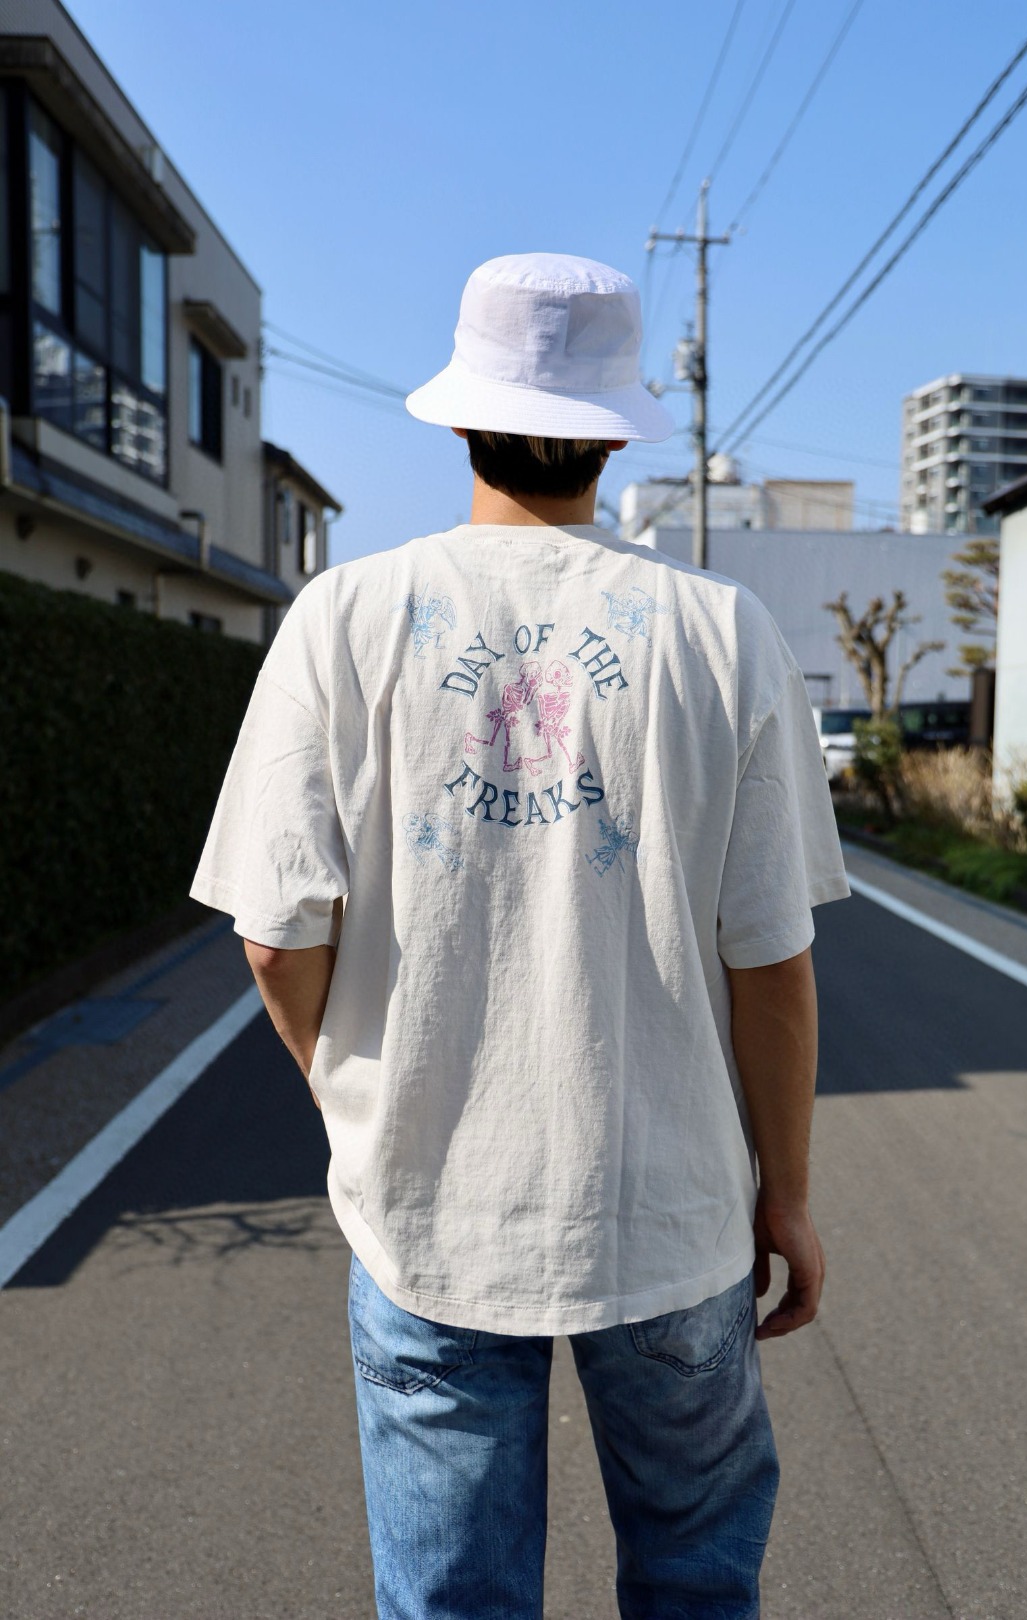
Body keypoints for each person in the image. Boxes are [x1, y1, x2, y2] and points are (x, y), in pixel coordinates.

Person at [190, 252, 850, 1620]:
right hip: (672, 1211)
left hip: (429, 1207)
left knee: (454, 1602)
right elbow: (771, 964)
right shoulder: (723, 633)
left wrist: (356, 1094)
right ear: (616, 432)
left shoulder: (342, 619)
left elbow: (275, 938)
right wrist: (784, 1192)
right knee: (695, 1578)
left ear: (461, 416)